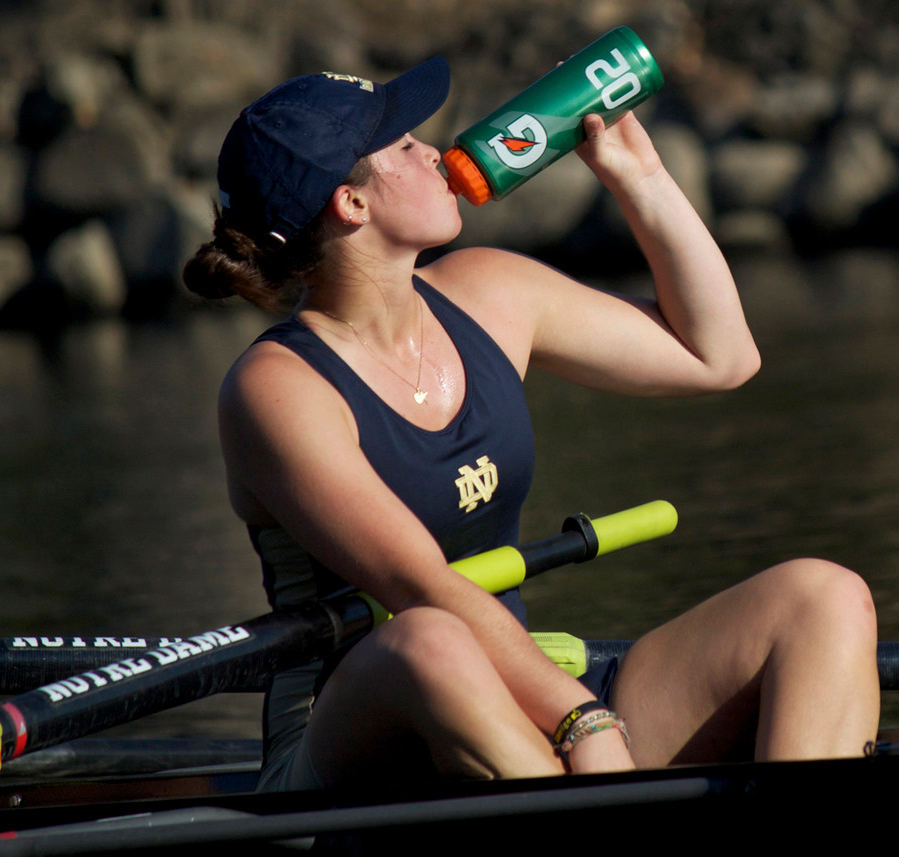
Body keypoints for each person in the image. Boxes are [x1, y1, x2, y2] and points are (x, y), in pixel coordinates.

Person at [183, 56, 879, 790]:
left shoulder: (488, 291)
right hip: (356, 736)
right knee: (429, 639)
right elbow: (420, 585)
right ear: (351, 203)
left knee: (822, 597)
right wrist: (584, 719)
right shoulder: (276, 390)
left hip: (525, 692)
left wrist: (638, 176)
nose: (434, 151)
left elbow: (721, 356)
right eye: (406, 145)